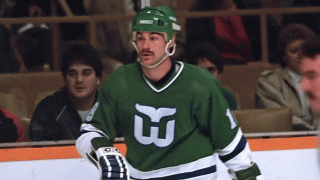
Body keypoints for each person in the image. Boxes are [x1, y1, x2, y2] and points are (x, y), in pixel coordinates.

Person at [76, 6, 264, 180]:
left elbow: (232, 146)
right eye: (140, 37)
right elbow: (89, 132)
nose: (145, 45)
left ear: (171, 41)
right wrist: (101, 152)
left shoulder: (200, 83)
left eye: (153, 37)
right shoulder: (120, 82)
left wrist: (248, 175)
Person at [29, 43, 103, 141]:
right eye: (72, 74)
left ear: (98, 78)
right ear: (65, 79)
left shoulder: (112, 108)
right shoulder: (48, 110)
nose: (79, 79)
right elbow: (42, 152)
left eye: (86, 73)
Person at [255, 23, 318, 131]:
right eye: (293, 51)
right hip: (287, 140)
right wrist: (312, 131)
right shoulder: (268, 82)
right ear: (283, 56)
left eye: (305, 49)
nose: (301, 55)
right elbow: (280, 118)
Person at [185, 0, 280, 64]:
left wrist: (266, 61)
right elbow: (198, 53)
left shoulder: (250, 5)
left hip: (256, 68)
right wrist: (243, 65)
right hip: (218, 70)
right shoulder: (198, 11)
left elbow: (277, 39)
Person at [187, 42, 239, 110]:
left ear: (219, 74)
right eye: (201, 70)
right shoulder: (184, 98)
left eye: (211, 70)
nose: (206, 75)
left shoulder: (227, 97)